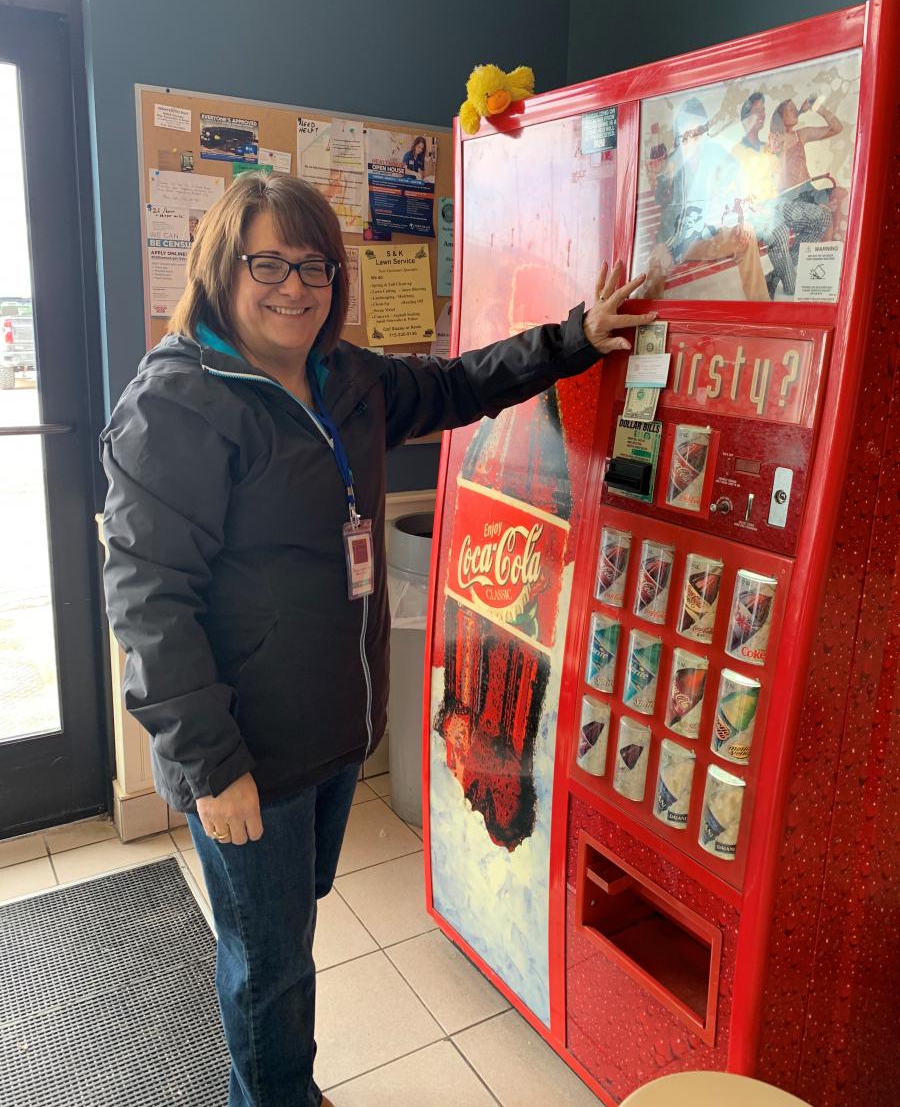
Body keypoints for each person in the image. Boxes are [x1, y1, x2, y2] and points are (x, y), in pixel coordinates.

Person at [100, 171, 653, 1107]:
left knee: (287, 932)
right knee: (268, 966)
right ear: (223, 269)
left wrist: (573, 340)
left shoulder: (344, 378)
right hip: (244, 753)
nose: (294, 286)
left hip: (327, 738)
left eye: (314, 264)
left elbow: (456, 385)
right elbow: (148, 599)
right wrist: (212, 766)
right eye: (267, 262)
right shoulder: (178, 404)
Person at [643, 97, 768, 300]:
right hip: (677, 243)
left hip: (707, 238)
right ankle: (644, 325)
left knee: (747, 236)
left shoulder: (715, 153)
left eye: (697, 132)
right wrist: (656, 181)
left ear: (704, 130)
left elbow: (738, 184)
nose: (692, 139)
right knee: (656, 266)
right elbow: (662, 201)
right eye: (686, 134)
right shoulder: (672, 163)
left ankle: (761, 309)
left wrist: (742, 219)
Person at [731, 92, 802, 299]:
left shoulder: (766, 147)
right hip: (756, 212)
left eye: (763, 109)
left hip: (776, 205)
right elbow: (739, 193)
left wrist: (779, 152)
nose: (762, 114)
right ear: (745, 117)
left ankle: (774, 277)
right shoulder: (736, 152)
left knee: (820, 219)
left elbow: (779, 182)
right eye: (756, 110)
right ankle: (791, 288)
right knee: (779, 233)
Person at [769, 96, 847, 240]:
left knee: (840, 194)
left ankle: (838, 246)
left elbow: (837, 128)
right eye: (790, 110)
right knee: (825, 217)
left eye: (794, 109)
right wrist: (800, 113)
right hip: (792, 196)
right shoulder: (776, 138)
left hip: (809, 191)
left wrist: (818, 108)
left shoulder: (801, 134)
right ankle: (823, 255)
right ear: (781, 116)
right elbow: (778, 145)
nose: (794, 112)